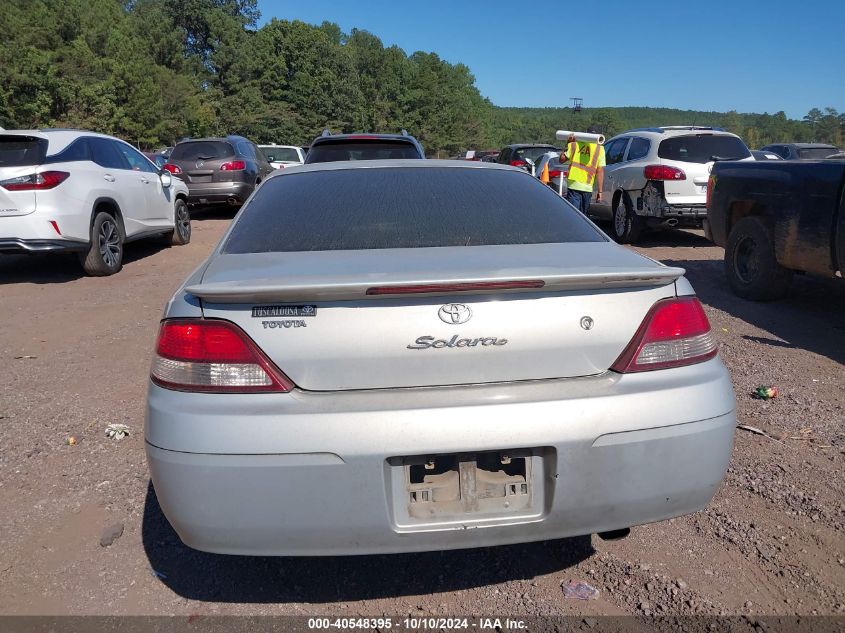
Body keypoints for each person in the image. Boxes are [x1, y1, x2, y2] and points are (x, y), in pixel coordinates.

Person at [560, 126, 605, 214]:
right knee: (582, 217)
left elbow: (561, 160)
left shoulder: (575, 144)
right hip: (587, 187)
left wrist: (567, 144)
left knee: (573, 215)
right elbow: (600, 171)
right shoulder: (600, 149)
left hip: (574, 184)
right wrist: (600, 191)